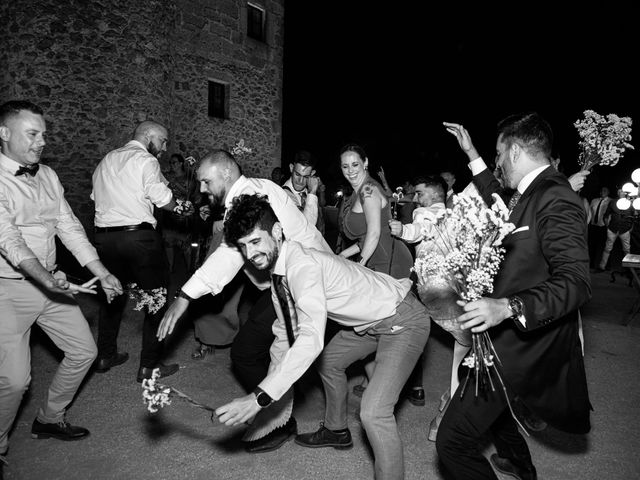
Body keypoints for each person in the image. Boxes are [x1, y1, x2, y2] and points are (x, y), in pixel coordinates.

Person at [214, 194, 431, 480]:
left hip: (402, 319)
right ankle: (337, 430)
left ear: (277, 232)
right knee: (329, 363)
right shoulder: (280, 273)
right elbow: (284, 334)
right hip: (367, 323)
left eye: (255, 241)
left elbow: (310, 338)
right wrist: (267, 392)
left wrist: (259, 398)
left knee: (374, 413)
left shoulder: (301, 267)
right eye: (243, 247)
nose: (250, 253)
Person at [439, 114, 591, 480]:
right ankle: (519, 462)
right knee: (484, 392)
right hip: (501, 338)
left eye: (498, 153)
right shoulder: (528, 192)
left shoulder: (556, 195)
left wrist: (508, 306)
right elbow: (495, 192)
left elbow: (576, 281)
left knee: (453, 441)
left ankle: (516, 460)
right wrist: (471, 151)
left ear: (516, 150)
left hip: (525, 347)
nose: (497, 162)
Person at [157, 149, 331, 453]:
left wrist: (185, 296)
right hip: (284, 281)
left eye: (206, 182)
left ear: (225, 174)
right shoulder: (251, 191)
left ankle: (279, 417)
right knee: (255, 348)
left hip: (301, 281)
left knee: (258, 350)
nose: (201, 189)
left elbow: (228, 254)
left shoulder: (250, 195)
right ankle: (280, 406)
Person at [0, 100, 123, 478]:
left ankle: (50, 418)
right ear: (4, 134)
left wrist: (100, 271)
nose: (41, 142)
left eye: (44, 135)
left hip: (53, 284)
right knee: (16, 379)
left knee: (84, 351)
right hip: (8, 290)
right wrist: (45, 277)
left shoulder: (49, 175)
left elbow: (68, 226)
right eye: (32, 134)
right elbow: (9, 240)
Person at [91, 120, 194, 383]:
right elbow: (162, 198)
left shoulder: (106, 160)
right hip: (139, 238)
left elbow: (95, 198)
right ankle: (149, 365)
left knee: (113, 295)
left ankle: (105, 355)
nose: (164, 147)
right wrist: (185, 208)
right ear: (149, 136)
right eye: (163, 141)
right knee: (156, 299)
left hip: (105, 239)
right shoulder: (145, 160)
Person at [389, 174, 472, 436]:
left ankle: (447, 407)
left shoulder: (426, 211)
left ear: (435, 195)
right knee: (464, 342)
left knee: (463, 341)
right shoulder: (452, 213)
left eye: (420, 193)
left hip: (434, 289)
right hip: (450, 287)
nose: (416, 198)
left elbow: (420, 229)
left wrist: (402, 230)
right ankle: (446, 402)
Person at [336, 144, 415, 403]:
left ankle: (394, 390)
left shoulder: (369, 189)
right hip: (376, 257)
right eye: (345, 166)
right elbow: (365, 234)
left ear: (365, 162)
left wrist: (359, 264)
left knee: (391, 324)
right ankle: (379, 382)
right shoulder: (357, 191)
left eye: (355, 165)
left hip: (389, 261)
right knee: (378, 324)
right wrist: (342, 256)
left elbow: (374, 233)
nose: (350, 171)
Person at [160, 153, 198, 272]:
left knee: (186, 246)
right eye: (170, 163)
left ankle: (190, 270)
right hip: (170, 216)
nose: (172, 165)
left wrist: (174, 182)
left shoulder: (188, 178)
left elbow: (189, 192)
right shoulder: (168, 177)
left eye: (174, 162)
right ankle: (170, 268)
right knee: (168, 243)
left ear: (181, 163)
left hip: (183, 217)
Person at [282, 150, 325, 236]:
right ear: (291, 168)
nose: (300, 181)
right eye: (297, 174)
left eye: (306, 177)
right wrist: (312, 192)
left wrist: (320, 190)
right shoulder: (283, 195)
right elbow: (307, 230)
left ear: (312, 174)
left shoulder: (307, 193)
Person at [597, 187, 634, 272]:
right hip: (612, 229)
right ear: (618, 193)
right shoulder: (613, 202)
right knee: (607, 248)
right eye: (620, 191)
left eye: (623, 191)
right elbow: (606, 214)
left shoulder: (630, 203)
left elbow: (633, 216)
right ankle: (601, 267)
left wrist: (631, 227)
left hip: (624, 229)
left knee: (627, 249)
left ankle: (629, 270)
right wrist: (607, 226)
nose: (621, 193)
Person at [588, 186, 612, 269]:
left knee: (605, 246)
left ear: (608, 192)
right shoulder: (594, 201)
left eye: (605, 190)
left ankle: (606, 265)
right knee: (592, 246)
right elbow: (589, 212)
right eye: (602, 190)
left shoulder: (611, 201)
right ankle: (591, 264)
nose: (602, 191)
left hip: (604, 227)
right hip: (593, 226)